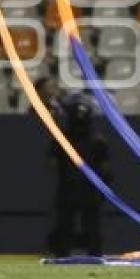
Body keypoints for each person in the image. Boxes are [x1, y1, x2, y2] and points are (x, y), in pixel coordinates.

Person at [47, 89, 110, 258]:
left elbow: (52, 164)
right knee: (70, 225)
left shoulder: (94, 141)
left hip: (80, 188)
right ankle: (68, 254)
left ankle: (87, 254)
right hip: (75, 188)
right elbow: (106, 170)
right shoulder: (65, 140)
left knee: (87, 225)